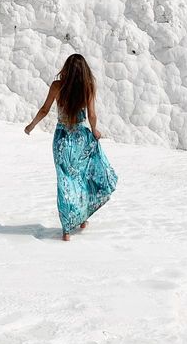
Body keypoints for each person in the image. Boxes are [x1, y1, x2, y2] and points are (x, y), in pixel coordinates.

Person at [25, 54, 118, 241]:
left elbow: (44, 110)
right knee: (81, 180)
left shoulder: (57, 86)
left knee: (65, 183)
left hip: (61, 139)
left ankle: (66, 231)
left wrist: (31, 125)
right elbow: (92, 115)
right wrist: (94, 130)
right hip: (80, 139)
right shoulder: (88, 87)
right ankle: (82, 220)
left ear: (66, 68)